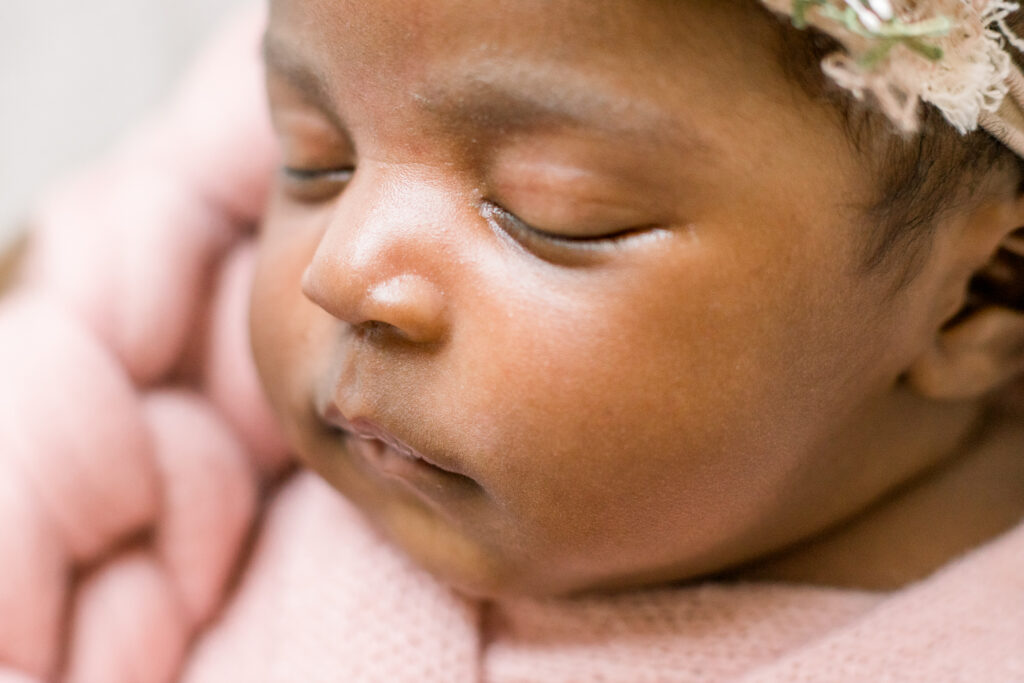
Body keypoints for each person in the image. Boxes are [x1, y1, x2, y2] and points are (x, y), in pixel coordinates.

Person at [2, 0, 1022, 680]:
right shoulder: (188, 391)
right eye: (314, 158)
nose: (339, 271)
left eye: (551, 212)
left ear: (978, 294)